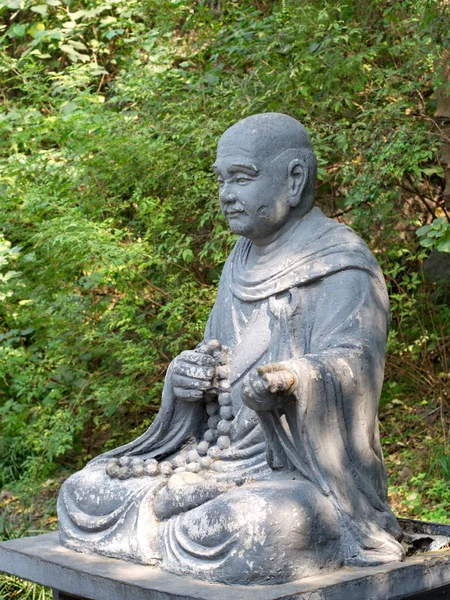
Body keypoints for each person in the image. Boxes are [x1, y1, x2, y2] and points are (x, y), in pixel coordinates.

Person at [58, 113, 405, 585]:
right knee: (82, 491)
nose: (225, 194)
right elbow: (219, 364)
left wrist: (294, 379)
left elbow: (355, 365)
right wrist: (185, 381)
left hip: (292, 469)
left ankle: (175, 523)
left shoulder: (340, 262)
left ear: (295, 178)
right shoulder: (240, 260)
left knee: (257, 526)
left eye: (241, 178)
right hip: (215, 456)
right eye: (221, 180)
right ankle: (175, 522)